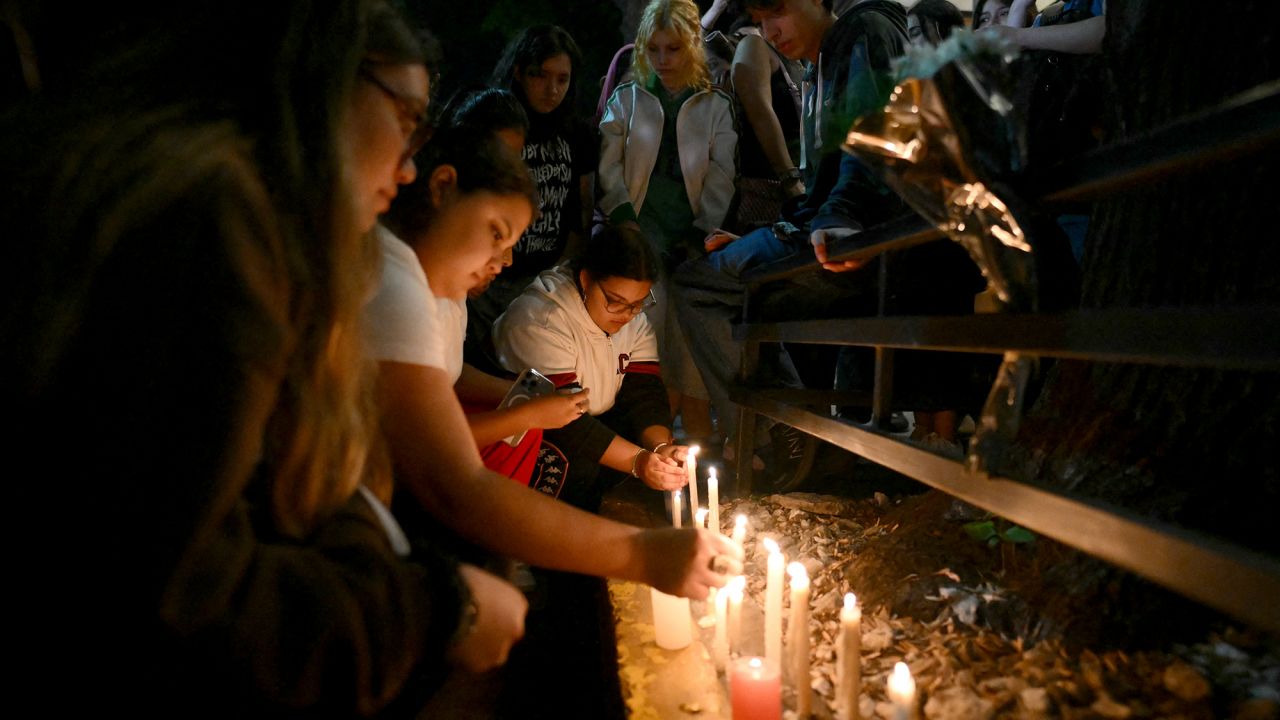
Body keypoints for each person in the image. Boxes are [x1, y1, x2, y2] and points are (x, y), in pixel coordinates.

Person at [3, 1, 526, 714]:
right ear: (323, 79)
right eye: (406, 122)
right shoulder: (209, 225)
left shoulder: (246, 232)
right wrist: (438, 609)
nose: (408, 169)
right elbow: (181, 595)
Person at [671, 0, 911, 487]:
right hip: (818, 229)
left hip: (853, 239)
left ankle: (775, 429)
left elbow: (874, 135)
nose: (769, 31)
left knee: (695, 287)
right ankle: (788, 430)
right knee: (717, 279)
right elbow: (823, 174)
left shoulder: (864, 30)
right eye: (759, 21)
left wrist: (845, 214)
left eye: (777, 12)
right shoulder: (821, 60)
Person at [600, 0, 737, 449]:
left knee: (688, 330)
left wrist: (702, 230)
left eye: (673, 49)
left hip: (690, 234)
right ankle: (648, 433)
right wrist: (622, 216)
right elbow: (608, 165)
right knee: (647, 329)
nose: (663, 61)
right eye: (654, 50)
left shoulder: (713, 105)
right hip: (641, 229)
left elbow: (722, 173)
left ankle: (695, 431)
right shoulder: (629, 99)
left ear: (691, 47)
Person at [493, 225, 692, 512]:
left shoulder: (634, 319)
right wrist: (638, 462)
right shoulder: (542, 318)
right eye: (615, 301)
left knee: (640, 442)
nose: (627, 315)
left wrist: (661, 449)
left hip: (589, 419)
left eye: (637, 304)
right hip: (531, 434)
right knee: (579, 464)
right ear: (586, 280)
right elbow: (564, 421)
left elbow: (643, 392)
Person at [468, 25, 598, 376]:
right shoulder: (500, 123)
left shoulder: (576, 133)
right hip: (486, 273)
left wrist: (558, 276)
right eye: (540, 76)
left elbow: (579, 210)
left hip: (540, 279)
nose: (551, 89)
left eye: (562, 79)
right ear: (518, 72)